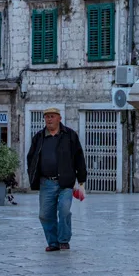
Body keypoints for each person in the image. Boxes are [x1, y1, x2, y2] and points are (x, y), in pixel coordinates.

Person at [27, 108, 87, 252]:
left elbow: (79, 157)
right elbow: (31, 158)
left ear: (59, 118)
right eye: (46, 117)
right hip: (46, 182)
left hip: (65, 182)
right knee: (45, 214)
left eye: (52, 116)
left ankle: (63, 240)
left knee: (64, 210)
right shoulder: (39, 137)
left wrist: (81, 180)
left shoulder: (70, 136)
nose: (49, 119)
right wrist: (32, 175)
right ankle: (53, 242)